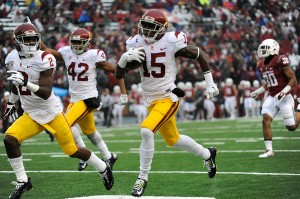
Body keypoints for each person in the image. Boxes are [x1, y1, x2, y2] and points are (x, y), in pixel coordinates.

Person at [115, 9, 219, 197]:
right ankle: (207, 154)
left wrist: (210, 83)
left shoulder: (172, 41)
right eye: (144, 26)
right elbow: (118, 74)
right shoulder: (134, 42)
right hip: (150, 100)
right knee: (174, 140)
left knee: (146, 130)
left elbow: (200, 54)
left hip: (168, 97)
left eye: (151, 27)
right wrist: (122, 61)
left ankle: (142, 178)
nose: (146, 31)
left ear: (162, 29)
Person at [3, 23, 114, 199]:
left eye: (34, 39)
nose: (31, 43)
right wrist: (11, 103)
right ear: (17, 42)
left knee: (72, 151)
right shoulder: (11, 58)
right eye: (27, 39)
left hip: (51, 112)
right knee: (10, 139)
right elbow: (16, 84)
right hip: (31, 113)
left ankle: (102, 167)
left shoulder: (44, 58)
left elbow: (45, 93)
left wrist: (24, 83)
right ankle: (23, 181)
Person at [40, 28, 128, 171]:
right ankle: (109, 156)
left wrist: (124, 92)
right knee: (90, 133)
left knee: (66, 124)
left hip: (88, 99)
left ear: (88, 43)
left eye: (80, 42)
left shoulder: (94, 55)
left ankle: (83, 156)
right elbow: (49, 51)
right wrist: (38, 40)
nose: (76, 45)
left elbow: (116, 70)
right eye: (74, 42)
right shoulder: (67, 52)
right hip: (75, 99)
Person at [251, 38, 300, 158]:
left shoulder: (279, 60)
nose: (262, 51)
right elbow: (270, 82)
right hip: (272, 97)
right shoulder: (261, 64)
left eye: (265, 48)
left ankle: (299, 108)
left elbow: (293, 79)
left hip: (285, 96)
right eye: (261, 48)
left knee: (291, 127)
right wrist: (259, 90)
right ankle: (269, 150)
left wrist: (283, 92)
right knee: (265, 120)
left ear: (273, 49)